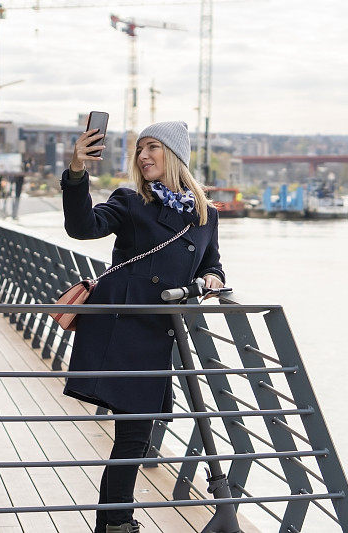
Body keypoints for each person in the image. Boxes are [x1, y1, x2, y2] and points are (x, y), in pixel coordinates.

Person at [60, 120, 225, 533]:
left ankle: (114, 522)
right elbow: (83, 228)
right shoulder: (131, 201)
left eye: (153, 147)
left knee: (134, 436)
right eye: (139, 149)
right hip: (122, 329)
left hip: (157, 332)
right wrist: (77, 172)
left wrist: (212, 281)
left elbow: (212, 263)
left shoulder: (205, 215)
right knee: (134, 433)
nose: (144, 156)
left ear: (175, 155)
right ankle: (115, 522)